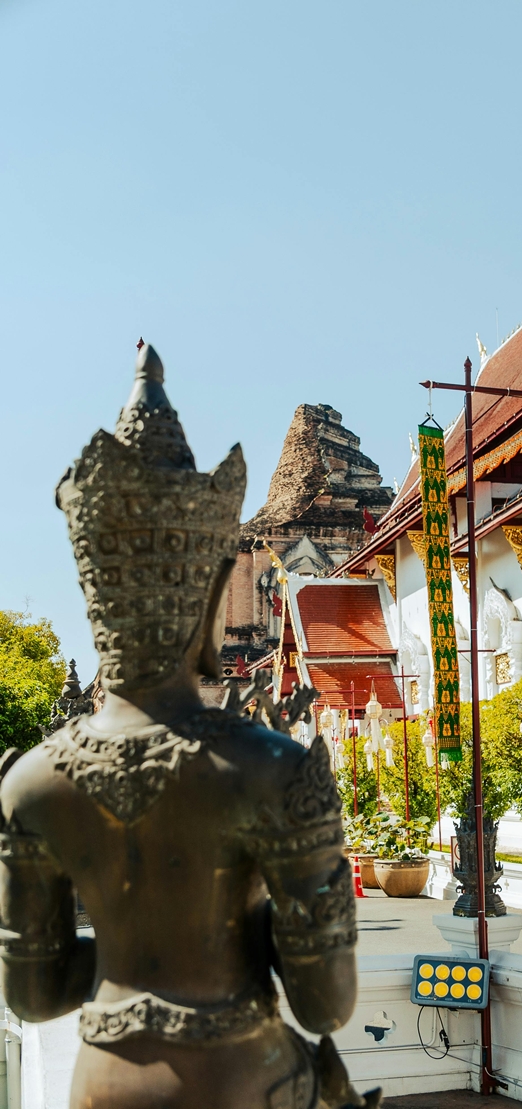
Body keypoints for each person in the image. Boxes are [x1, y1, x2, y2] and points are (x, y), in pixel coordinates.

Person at [0, 343, 378, 1109]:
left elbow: (34, 996)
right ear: (212, 592)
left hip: (100, 1083)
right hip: (242, 1080)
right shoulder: (274, 767)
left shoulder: (31, 781)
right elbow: (324, 1005)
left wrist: (126, 953)